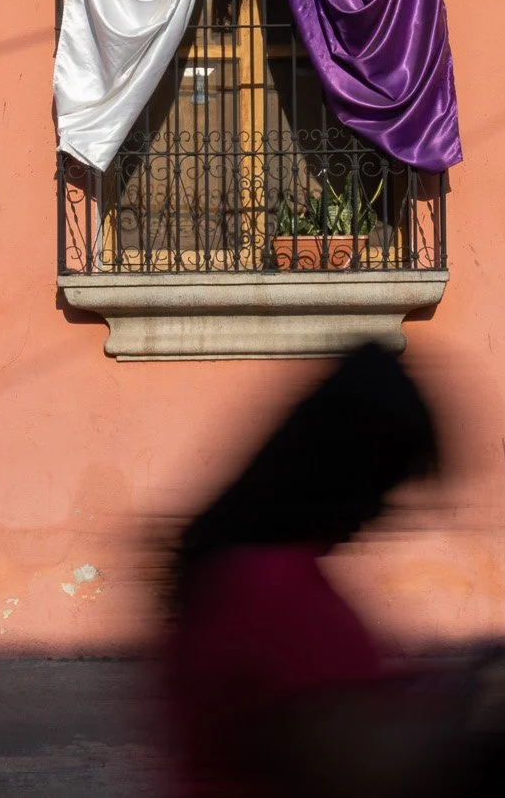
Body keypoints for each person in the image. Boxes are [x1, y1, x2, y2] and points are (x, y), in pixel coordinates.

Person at [160, 340, 466, 798]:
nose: (379, 512)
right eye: (382, 483)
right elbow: (361, 767)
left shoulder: (236, 571)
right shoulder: (274, 590)